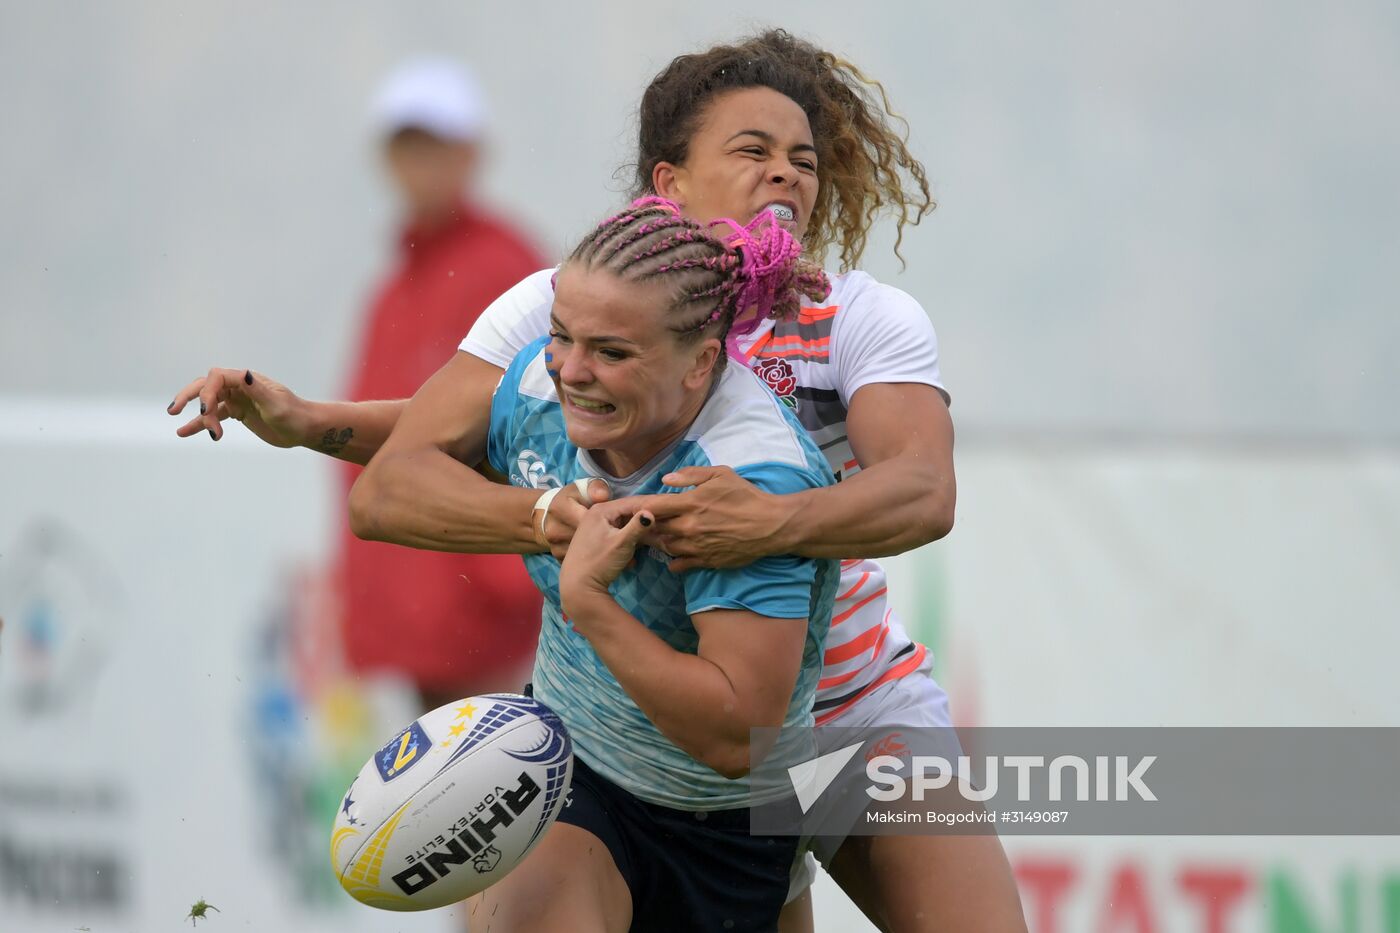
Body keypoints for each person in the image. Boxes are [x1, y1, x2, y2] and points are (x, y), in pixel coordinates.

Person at [169, 30, 1027, 932]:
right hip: (661, 728)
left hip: (849, 712)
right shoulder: (572, 305)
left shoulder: (862, 318)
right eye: (754, 152)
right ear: (670, 185)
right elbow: (475, 426)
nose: (787, 175)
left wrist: (767, 524)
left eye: (802, 160)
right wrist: (313, 422)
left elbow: (924, 491)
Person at [474, 199, 838, 931]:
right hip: (570, 767)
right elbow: (403, 475)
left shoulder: (750, 474)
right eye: (561, 336)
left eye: (610, 352)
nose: (572, 371)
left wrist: (587, 597)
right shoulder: (539, 382)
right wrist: (313, 422)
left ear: (702, 361)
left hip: (733, 822)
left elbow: (736, 738)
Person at [345, 58, 550, 706]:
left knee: (501, 781)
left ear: (471, 153)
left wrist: (513, 583)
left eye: (435, 144)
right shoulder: (395, 286)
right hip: (419, 598)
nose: (420, 164)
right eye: (406, 146)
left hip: (484, 610)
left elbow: (544, 428)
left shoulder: (504, 267)